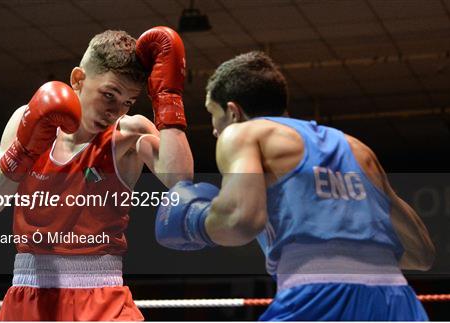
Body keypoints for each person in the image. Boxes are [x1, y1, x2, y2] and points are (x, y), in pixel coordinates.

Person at [154, 51, 435, 321]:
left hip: (314, 296)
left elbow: (241, 221)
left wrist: (196, 221)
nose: (215, 130)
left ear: (233, 111)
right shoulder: (357, 148)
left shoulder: (242, 134)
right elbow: (422, 254)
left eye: (213, 114)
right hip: (395, 300)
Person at [0, 26, 193, 321]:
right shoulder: (27, 120)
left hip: (101, 298)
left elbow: (180, 181)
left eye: (127, 101)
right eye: (109, 95)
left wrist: (167, 99)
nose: (115, 110)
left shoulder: (128, 133)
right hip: (29, 297)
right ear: (78, 79)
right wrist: (22, 152)